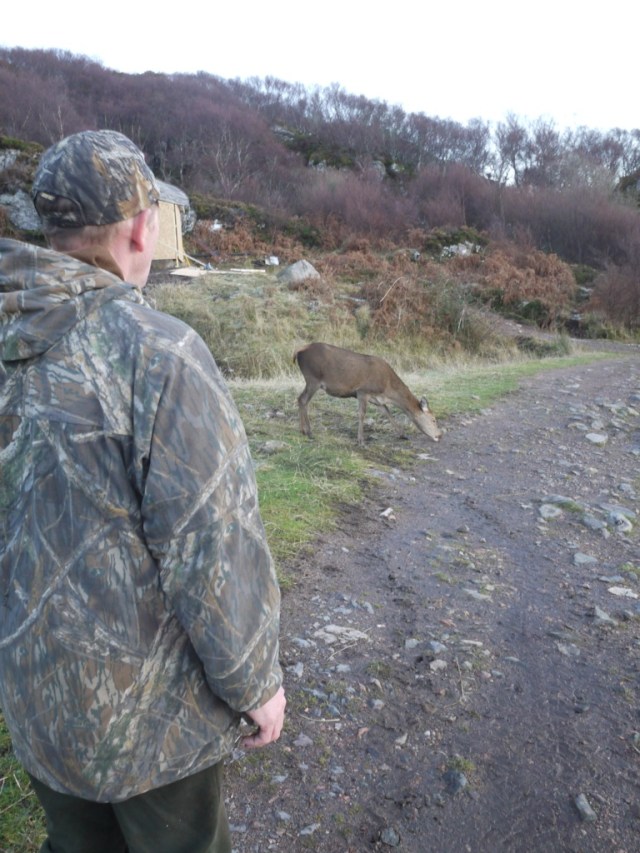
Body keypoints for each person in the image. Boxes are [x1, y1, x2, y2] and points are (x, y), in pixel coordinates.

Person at [0, 129, 285, 853]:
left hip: (38, 705)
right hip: (151, 727)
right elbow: (212, 545)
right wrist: (255, 685)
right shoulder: (158, 353)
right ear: (141, 225)